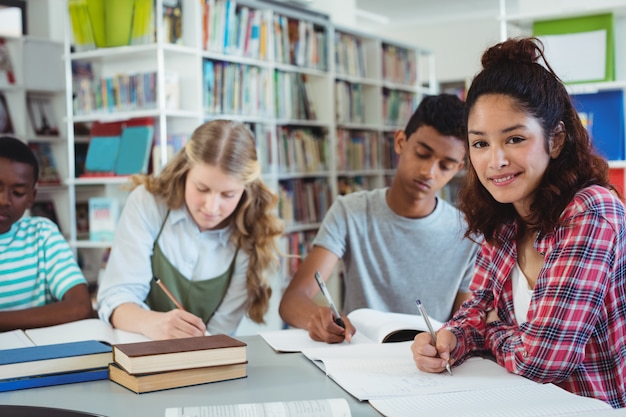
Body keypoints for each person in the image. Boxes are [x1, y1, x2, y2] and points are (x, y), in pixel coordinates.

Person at [411, 37, 626, 408]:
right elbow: (476, 307)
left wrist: (492, 330)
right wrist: (450, 337)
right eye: (479, 144)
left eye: (514, 138)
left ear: (555, 139)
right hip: (517, 404)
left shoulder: (592, 211)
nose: (495, 161)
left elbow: (544, 360)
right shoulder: (506, 215)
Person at [279, 94, 480, 344]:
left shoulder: (469, 234)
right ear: (400, 142)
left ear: (459, 167)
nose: (429, 172)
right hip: (359, 357)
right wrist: (316, 318)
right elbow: (292, 300)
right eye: (421, 154)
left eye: (445, 165)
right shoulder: (351, 211)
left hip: (431, 364)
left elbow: (466, 323)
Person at [97, 120, 283, 340]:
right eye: (201, 188)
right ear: (185, 171)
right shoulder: (148, 204)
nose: (211, 207)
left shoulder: (252, 234)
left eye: (228, 195)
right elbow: (116, 299)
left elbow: (220, 332)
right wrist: (155, 324)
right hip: (135, 349)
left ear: (245, 189)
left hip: (203, 360)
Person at [0, 136, 93, 331]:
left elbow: (80, 307)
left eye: (17, 193)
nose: (4, 201)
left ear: (31, 198)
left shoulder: (42, 233)